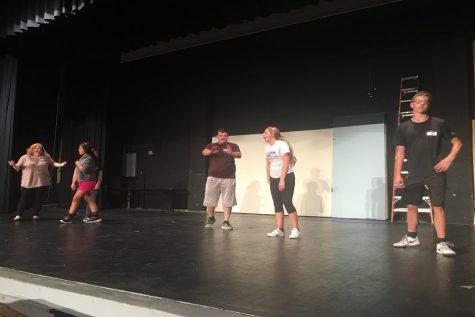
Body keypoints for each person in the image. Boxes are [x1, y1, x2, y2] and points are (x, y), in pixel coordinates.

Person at [393, 91, 462, 256]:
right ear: (412, 104)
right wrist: (397, 174)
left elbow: (457, 143)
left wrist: (449, 159)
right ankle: (411, 238)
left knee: (438, 207)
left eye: (425, 102)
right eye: (418, 101)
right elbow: (399, 152)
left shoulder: (438, 123)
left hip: (435, 173)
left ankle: (441, 243)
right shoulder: (403, 127)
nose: (421, 104)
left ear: (428, 104)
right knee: (411, 206)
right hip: (414, 173)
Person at [8, 143, 67, 221]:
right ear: (31, 149)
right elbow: (17, 168)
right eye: (35, 148)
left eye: (39, 148)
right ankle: (19, 215)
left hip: (41, 182)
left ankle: (35, 215)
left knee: (38, 199)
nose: (38, 149)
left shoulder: (46, 157)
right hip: (28, 182)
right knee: (24, 199)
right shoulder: (25, 157)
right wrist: (13, 165)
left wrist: (60, 165)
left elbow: (53, 163)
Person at [263, 126, 300, 239]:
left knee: (287, 202)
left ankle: (295, 229)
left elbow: (286, 162)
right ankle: (280, 229)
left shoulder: (281, 144)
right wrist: (268, 176)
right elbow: (268, 163)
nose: (263, 134)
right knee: (277, 203)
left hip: (286, 176)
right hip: (274, 177)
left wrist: (282, 179)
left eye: (265, 132)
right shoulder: (266, 147)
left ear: (272, 134)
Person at [202, 128, 241, 230]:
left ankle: (226, 221)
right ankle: (211, 218)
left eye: (224, 136)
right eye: (220, 135)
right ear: (217, 136)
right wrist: (211, 151)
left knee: (228, 200)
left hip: (229, 177)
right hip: (213, 177)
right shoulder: (211, 145)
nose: (222, 137)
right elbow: (204, 152)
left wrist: (231, 153)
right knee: (210, 199)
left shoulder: (233, 145)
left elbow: (239, 155)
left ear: (227, 136)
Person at [60, 142, 102, 224]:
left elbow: (84, 170)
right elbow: (77, 171)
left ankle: (70, 216)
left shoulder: (89, 158)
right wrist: (74, 182)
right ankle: (96, 216)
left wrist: (77, 163)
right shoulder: (83, 158)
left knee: (76, 198)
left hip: (87, 182)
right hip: (84, 182)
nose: (78, 150)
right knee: (89, 198)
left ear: (85, 149)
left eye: (80, 148)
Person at [79, 148, 103, 222]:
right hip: (84, 183)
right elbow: (78, 171)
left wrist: (98, 183)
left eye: (96, 153)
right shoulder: (85, 161)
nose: (94, 155)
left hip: (93, 184)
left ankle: (87, 216)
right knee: (83, 199)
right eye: (93, 153)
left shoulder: (98, 164)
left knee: (91, 199)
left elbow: (100, 175)